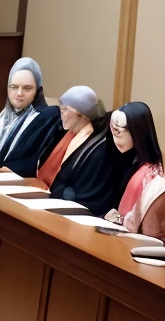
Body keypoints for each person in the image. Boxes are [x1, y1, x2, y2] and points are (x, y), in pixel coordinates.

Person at [37, 86, 126, 216]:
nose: (60, 111)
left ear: (81, 114)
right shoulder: (64, 131)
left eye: (64, 108)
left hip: (77, 205)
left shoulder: (95, 144)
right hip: (52, 193)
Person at [0, 57, 60, 177]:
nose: (19, 94)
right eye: (14, 87)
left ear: (38, 90)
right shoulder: (6, 114)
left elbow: (23, 166)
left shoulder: (46, 119)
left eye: (27, 88)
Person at [105, 102, 163, 230]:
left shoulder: (148, 171)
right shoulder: (120, 155)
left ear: (137, 131)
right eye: (112, 131)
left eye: (118, 132)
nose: (115, 139)